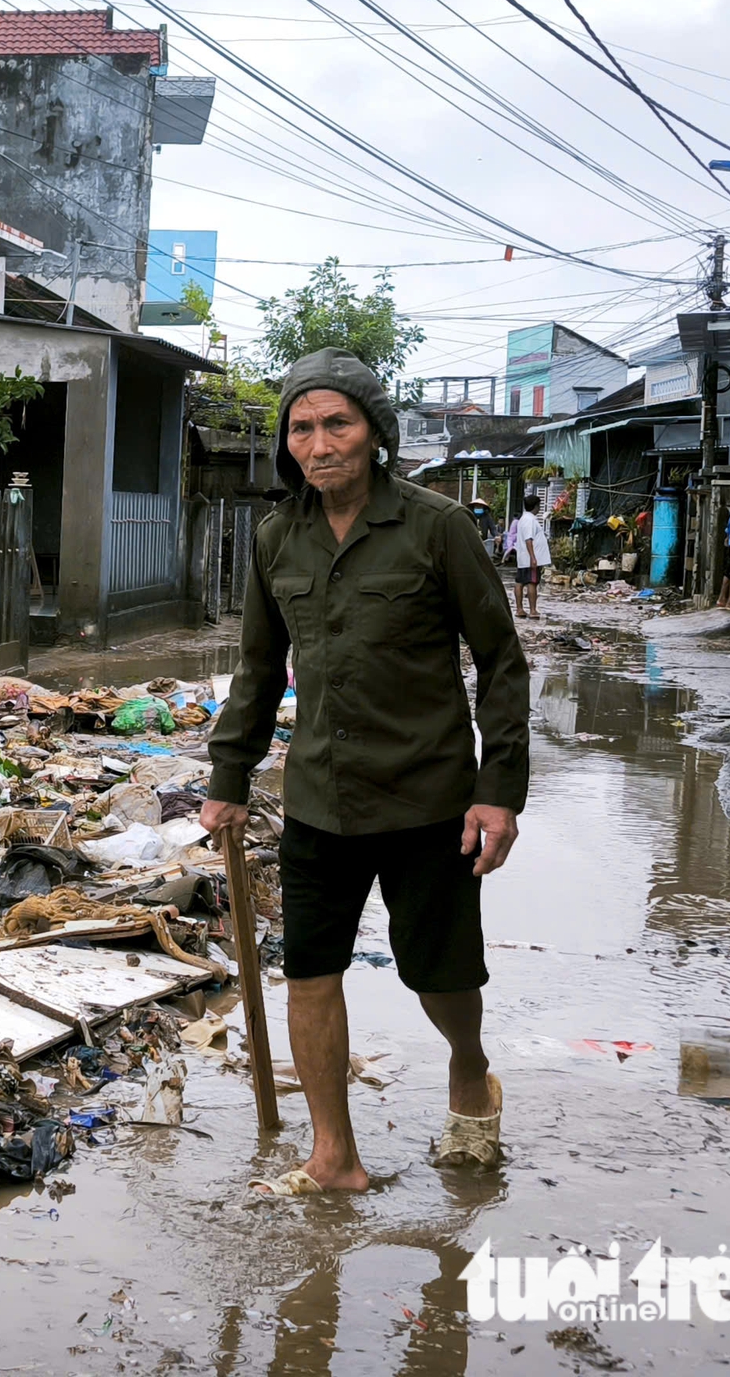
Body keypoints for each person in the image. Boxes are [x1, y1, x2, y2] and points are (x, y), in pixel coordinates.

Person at [201, 348, 530, 1196]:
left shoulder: (435, 527)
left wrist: (499, 792)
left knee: (442, 975)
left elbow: (500, 663)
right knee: (311, 972)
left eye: (336, 423)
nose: (319, 444)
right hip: (319, 797)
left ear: (374, 433)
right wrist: (229, 776)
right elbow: (257, 668)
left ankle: (468, 1070)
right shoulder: (277, 538)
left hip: (428, 797)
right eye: (302, 428)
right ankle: (334, 1156)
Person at [512, 495, 550, 619]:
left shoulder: (524, 519)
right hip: (530, 558)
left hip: (523, 558)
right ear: (536, 506)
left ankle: (520, 609)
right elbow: (529, 539)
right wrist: (533, 558)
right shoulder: (530, 520)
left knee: (520, 582)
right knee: (532, 583)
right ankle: (533, 610)